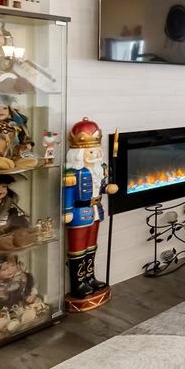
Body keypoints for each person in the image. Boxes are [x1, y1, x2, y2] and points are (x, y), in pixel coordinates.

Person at [63, 117, 118, 299]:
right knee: (78, 248)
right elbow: (69, 194)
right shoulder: (74, 174)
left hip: (96, 210)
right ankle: (78, 283)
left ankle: (90, 277)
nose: (95, 155)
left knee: (91, 246)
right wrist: (67, 211)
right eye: (91, 152)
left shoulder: (99, 170)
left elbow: (99, 187)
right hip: (79, 213)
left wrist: (108, 188)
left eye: (96, 151)